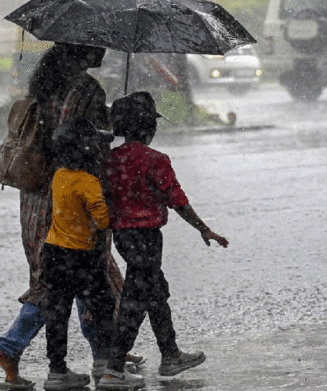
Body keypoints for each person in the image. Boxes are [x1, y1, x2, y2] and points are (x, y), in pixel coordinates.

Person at [0, 43, 142, 387]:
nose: (104, 49)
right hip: (71, 201)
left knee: (69, 280)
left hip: (36, 198)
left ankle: (106, 352)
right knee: (81, 280)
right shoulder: (85, 88)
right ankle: (14, 347)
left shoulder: (44, 85)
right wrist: (113, 125)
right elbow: (85, 143)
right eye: (97, 43)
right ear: (82, 49)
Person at [98, 91, 230, 389]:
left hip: (122, 237)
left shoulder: (109, 160)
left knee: (155, 291)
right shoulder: (156, 160)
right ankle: (113, 369)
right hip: (147, 238)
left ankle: (170, 354)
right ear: (149, 128)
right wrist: (202, 228)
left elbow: (106, 198)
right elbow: (176, 198)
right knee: (136, 299)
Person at [39, 116, 139, 390]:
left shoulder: (59, 176)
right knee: (103, 311)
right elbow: (103, 221)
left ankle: (57, 372)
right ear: (87, 151)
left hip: (53, 255)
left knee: (57, 315)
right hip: (82, 258)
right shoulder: (89, 183)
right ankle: (108, 367)